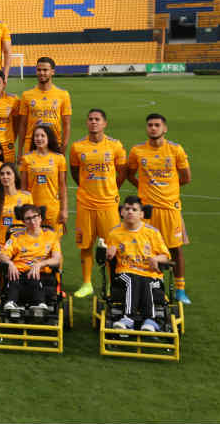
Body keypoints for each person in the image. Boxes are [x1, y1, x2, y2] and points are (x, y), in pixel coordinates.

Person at [127, 113, 192, 304]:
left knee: (175, 250)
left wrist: (168, 189)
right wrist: (144, 188)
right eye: (150, 125)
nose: (153, 128)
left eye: (157, 125)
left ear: (165, 128)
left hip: (170, 209)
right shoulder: (137, 151)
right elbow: (130, 174)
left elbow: (186, 177)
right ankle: (153, 286)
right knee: (146, 250)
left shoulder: (175, 150)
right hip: (147, 211)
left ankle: (180, 290)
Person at [69, 108, 127, 298]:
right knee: (85, 245)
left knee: (111, 245)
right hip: (85, 203)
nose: (94, 122)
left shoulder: (115, 146)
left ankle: (112, 285)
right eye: (91, 119)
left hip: (108, 204)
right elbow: (75, 173)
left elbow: (122, 173)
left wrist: (110, 189)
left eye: (97, 119)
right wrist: (87, 188)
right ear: (87, 123)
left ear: (104, 123)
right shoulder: (77, 147)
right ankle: (87, 284)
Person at [106, 196, 172, 331]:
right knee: (133, 279)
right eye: (127, 209)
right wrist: (108, 254)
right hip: (124, 274)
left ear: (141, 214)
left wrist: (156, 259)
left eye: (134, 209)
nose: (130, 212)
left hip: (151, 276)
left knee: (144, 280)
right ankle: (129, 318)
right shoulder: (114, 234)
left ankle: (149, 321)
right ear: (122, 212)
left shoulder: (152, 233)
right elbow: (104, 258)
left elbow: (166, 258)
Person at [0, 204, 62, 316]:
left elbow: (57, 259)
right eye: (28, 219)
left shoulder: (51, 236)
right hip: (19, 273)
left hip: (40, 274)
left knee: (34, 276)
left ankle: (40, 305)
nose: (32, 221)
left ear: (40, 217)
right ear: (23, 221)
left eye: (35, 217)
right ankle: (11, 304)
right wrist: (10, 264)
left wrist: (40, 264)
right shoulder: (16, 236)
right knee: (14, 278)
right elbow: (3, 255)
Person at [0, 163, 31, 292]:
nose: (5, 177)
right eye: (2, 174)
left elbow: (30, 221)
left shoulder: (26, 196)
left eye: (8, 173)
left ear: (15, 177)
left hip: (19, 241)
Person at [18, 57, 72, 160]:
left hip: (54, 143)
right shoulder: (26, 95)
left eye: (45, 70)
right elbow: (23, 125)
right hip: (31, 143)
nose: (42, 73)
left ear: (52, 72)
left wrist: (63, 147)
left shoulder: (63, 95)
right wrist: (20, 150)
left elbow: (66, 124)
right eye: (39, 70)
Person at [19, 125, 68, 234]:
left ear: (48, 138)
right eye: (36, 136)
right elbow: (23, 188)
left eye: (42, 136)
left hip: (52, 209)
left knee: (54, 244)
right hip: (32, 210)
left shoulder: (59, 158)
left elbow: (62, 186)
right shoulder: (26, 159)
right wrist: (24, 210)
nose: (39, 138)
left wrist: (64, 210)